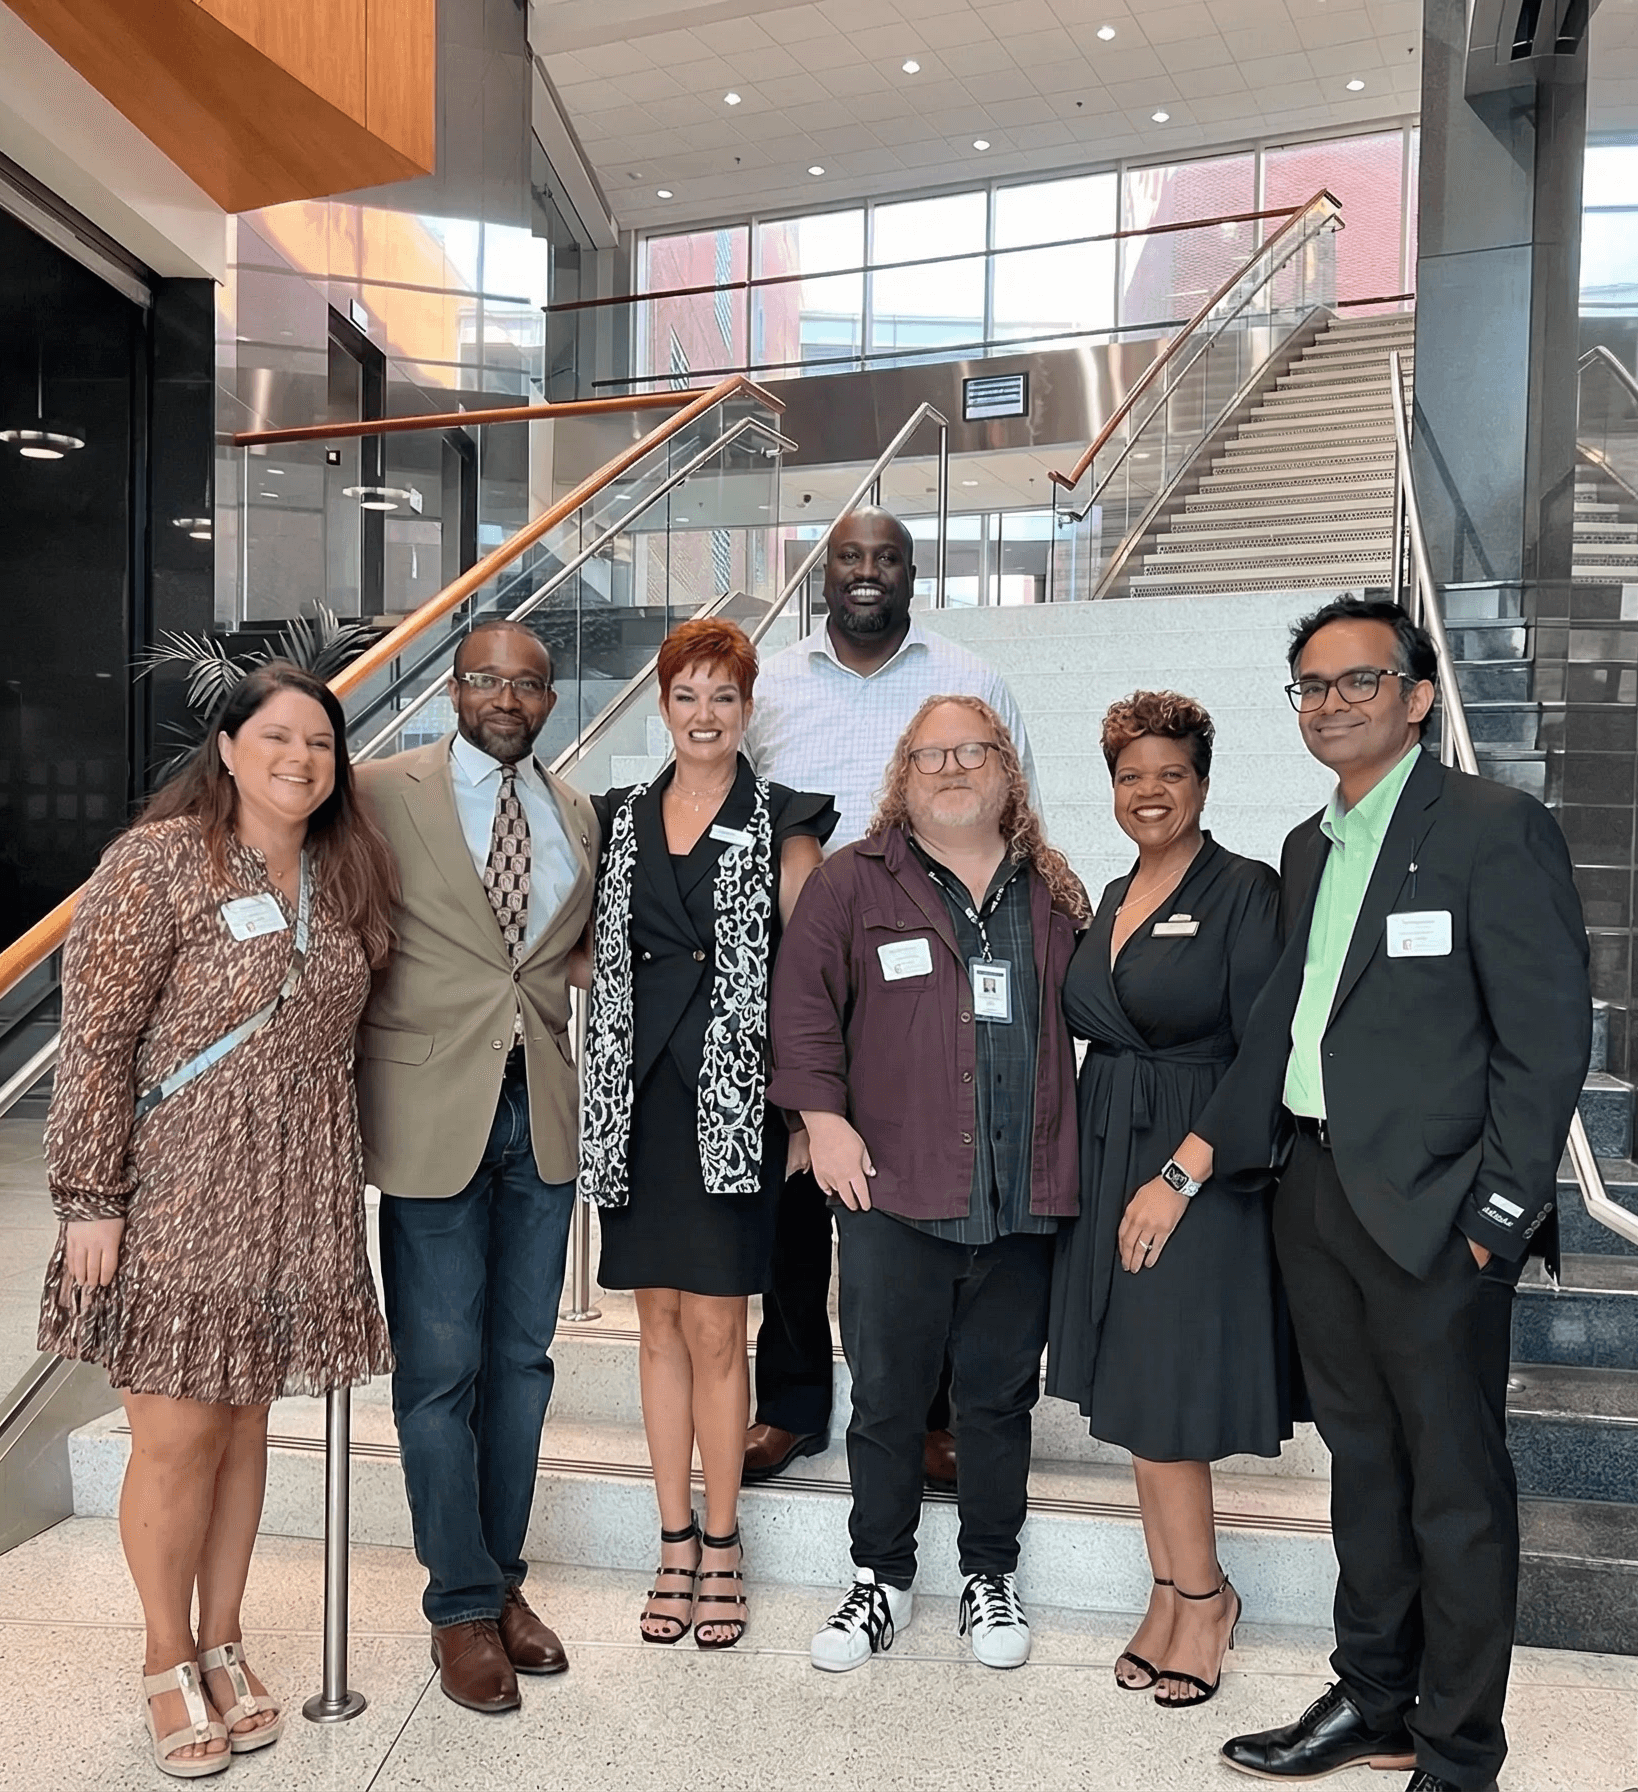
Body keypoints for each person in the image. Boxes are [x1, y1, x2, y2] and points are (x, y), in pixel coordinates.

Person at [1197, 598, 1591, 1792]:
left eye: (1358, 681)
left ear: (1418, 695)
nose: (1331, 704)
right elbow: (1288, 1028)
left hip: (1441, 1221)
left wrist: (1498, 1218)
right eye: (1311, 687)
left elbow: (1546, 1042)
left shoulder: (1491, 827)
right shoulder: (1310, 848)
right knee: (1364, 1470)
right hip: (1318, 1196)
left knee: (1456, 1488)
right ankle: (1374, 1694)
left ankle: (1460, 1748)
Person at [38, 662, 395, 1779]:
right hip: (180, 1181)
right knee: (177, 1432)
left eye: (323, 745)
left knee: (245, 1426)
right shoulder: (157, 864)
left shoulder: (342, 870)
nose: (301, 760)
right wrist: (89, 1198)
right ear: (228, 748)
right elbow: (94, 1040)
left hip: (299, 1190)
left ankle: (227, 1635)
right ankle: (165, 1653)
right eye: (279, 738)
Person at [769, 695, 1087, 1673]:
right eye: (931, 753)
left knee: (996, 1401)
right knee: (888, 1399)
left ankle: (991, 1574)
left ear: (1009, 770)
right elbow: (803, 1006)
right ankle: (882, 1578)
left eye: (974, 751)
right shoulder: (850, 884)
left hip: (1022, 1193)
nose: (953, 767)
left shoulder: (1053, 890)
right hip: (890, 1190)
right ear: (903, 773)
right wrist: (820, 1119)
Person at [742, 505, 1038, 1489]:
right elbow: (736, 812)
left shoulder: (968, 680)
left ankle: (926, 1412)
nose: (867, 573)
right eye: (849, 558)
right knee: (789, 1197)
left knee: (926, 1195)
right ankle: (788, 1403)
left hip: (933, 968)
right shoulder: (771, 683)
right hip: (800, 965)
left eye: (888, 559)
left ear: (915, 573)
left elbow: (1013, 809)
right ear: (822, 573)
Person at [355, 618, 599, 1715]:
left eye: (530, 683)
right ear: (454, 689)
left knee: (524, 1365)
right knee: (439, 1371)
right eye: (488, 678)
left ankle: (503, 1584)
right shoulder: (377, 791)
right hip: (427, 1110)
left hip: (540, 1114)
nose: (508, 695)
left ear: (551, 701)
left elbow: (559, 955)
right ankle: (458, 1605)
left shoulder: (579, 810)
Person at [580, 616, 835, 1650]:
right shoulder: (617, 817)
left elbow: (817, 976)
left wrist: (815, 1105)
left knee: (720, 1331)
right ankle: (671, 1538)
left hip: (736, 1106)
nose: (704, 714)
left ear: (748, 706)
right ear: (662, 704)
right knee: (656, 1328)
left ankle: (723, 1543)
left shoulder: (788, 817)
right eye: (687, 695)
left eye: (723, 696)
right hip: (637, 1099)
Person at [1046, 690, 1289, 1711]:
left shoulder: (1246, 890)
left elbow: (1265, 1048)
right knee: (1134, 1394)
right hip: (1112, 1151)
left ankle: (1209, 1595)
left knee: (1168, 1404)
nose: (1150, 791)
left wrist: (1182, 1174)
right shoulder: (1110, 893)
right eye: (1130, 775)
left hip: (1193, 1168)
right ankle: (1166, 1593)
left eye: (1170, 773)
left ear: (1202, 780)